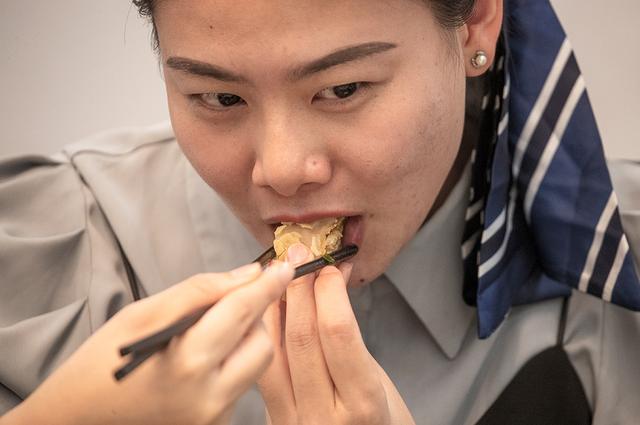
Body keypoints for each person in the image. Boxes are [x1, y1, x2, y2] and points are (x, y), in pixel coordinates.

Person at [1, 0, 639, 424]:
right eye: (217, 97)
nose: (279, 169)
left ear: (475, 20)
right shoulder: (64, 250)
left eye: (343, 89)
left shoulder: (614, 275)